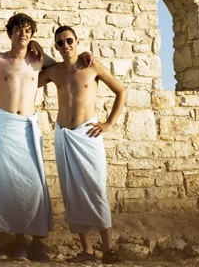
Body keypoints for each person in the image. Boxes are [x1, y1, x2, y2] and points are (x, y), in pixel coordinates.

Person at [38, 26, 127, 264]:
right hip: (64, 134)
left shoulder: (91, 66)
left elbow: (121, 91)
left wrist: (109, 123)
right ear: (56, 47)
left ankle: (108, 250)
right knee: (71, 192)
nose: (65, 45)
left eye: (69, 40)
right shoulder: (53, 72)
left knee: (95, 190)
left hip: (87, 134)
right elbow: (26, 79)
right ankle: (87, 251)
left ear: (77, 41)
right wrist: (38, 50)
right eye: (60, 43)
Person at [0, 13, 56, 262]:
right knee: (12, 184)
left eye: (28, 31)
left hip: (28, 125)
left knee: (36, 184)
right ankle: (19, 241)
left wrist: (83, 58)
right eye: (19, 30)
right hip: (6, 125)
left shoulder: (39, 59)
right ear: (10, 33)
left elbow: (64, 69)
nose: (23, 34)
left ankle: (38, 242)